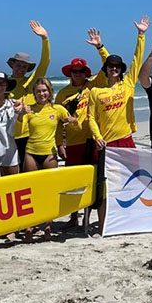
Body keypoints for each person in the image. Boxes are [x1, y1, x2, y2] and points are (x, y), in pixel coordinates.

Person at [84, 16, 150, 231]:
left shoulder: (128, 84)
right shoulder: (96, 91)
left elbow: (137, 59)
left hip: (126, 141)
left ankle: (133, 220)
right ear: (106, 69)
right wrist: (97, 136)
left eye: (117, 67)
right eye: (110, 66)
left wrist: (141, 35)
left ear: (121, 70)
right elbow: (91, 117)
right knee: (105, 188)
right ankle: (104, 225)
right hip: (105, 146)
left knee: (133, 181)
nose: (114, 69)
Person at [54, 29, 110, 227]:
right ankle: (73, 217)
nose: (77, 74)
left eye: (80, 71)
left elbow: (108, 66)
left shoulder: (93, 86)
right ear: (70, 73)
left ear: (85, 73)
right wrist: (59, 144)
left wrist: (99, 47)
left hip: (93, 141)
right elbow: (56, 121)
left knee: (96, 179)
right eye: (74, 71)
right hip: (73, 142)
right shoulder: (62, 94)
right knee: (74, 182)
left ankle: (94, 217)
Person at [7, 21, 51, 170]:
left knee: (31, 174)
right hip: (11, 136)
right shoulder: (3, 85)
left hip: (31, 135)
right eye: (18, 65)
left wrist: (45, 39)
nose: (21, 68)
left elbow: (44, 63)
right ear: (12, 65)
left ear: (27, 69)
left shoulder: (31, 82)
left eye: (24, 66)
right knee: (15, 174)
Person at [20, 79, 75, 172]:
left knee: (51, 185)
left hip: (49, 154)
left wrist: (74, 121)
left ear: (50, 91)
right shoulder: (28, 109)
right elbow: (19, 130)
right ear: (34, 93)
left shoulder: (58, 109)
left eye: (44, 90)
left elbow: (76, 127)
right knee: (31, 185)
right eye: (38, 91)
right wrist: (21, 114)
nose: (41, 94)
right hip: (31, 153)